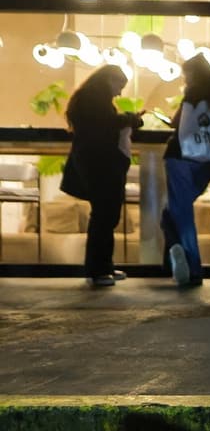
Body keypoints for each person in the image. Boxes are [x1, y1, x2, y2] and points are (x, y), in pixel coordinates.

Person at [60, 65, 142, 287]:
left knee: (106, 215)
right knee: (104, 215)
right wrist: (130, 119)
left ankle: (103, 266)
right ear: (108, 80)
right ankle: (98, 270)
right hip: (99, 163)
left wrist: (127, 118)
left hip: (96, 162)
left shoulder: (89, 99)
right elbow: (105, 124)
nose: (119, 93)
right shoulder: (94, 102)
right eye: (119, 86)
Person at [161, 53, 210, 287]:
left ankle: (190, 266)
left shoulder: (192, 94)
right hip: (207, 161)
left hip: (180, 157)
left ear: (193, 73)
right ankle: (175, 255)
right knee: (175, 211)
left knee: (177, 214)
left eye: (186, 74)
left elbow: (177, 123)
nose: (185, 78)